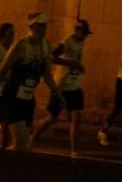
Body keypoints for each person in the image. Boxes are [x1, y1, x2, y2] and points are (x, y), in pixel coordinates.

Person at [0, 12, 63, 153]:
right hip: (13, 96)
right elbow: (1, 71)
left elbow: (47, 74)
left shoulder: (46, 46)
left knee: (24, 146)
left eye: (45, 25)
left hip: (28, 99)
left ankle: (5, 166)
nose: (44, 28)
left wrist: (57, 92)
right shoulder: (20, 46)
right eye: (41, 25)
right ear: (33, 27)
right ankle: (1, 167)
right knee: (19, 143)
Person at [30, 18, 92, 157]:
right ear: (77, 30)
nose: (86, 36)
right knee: (52, 118)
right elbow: (52, 57)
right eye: (84, 33)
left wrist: (78, 67)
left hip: (75, 86)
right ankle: (33, 136)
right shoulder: (67, 41)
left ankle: (74, 151)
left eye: (87, 34)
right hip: (62, 86)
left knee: (76, 118)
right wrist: (73, 63)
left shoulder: (81, 42)